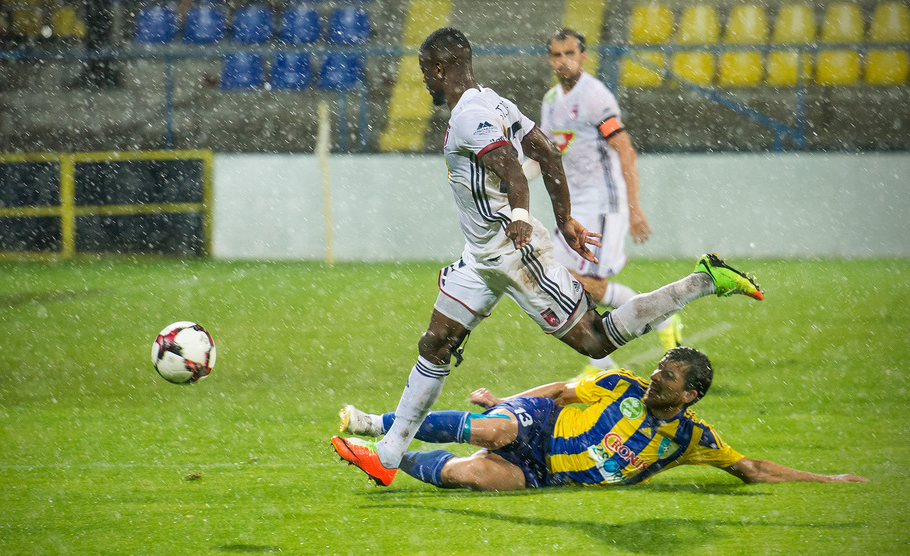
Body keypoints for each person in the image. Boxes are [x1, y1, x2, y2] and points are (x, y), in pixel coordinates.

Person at [331, 27, 763, 487]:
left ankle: (703, 280)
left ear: (439, 68)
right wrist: (565, 219)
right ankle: (389, 454)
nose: (423, 81)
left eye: (424, 71)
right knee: (435, 344)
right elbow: (548, 152)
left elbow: (515, 170)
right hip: (479, 257)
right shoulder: (495, 103)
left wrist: (522, 215)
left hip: (512, 251)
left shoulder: (470, 116)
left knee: (595, 340)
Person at [334, 347, 868, 490]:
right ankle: (375, 425)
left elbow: (752, 469)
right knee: (494, 429)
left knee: (469, 475)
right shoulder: (623, 384)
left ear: (690, 395)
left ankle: (388, 461)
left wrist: (827, 479)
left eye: (667, 377)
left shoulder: (690, 439)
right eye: (658, 368)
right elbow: (561, 391)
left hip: (546, 474)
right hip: (541, 423)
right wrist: (503, 402)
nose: (655, 377)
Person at [532, 28, 680, 373]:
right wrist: (508, 181)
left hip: (602, 204)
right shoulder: (551, 101)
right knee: (553, 277)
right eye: (557, 55)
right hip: (574, 207)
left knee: (582, 286)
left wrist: (634, 209)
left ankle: (607, 363)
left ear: (583, 57)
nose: (564, 61)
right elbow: (544, 156)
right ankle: (654, 324)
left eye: (570, 53)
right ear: (550, 59)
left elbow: (625, 150)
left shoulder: (595, 96)